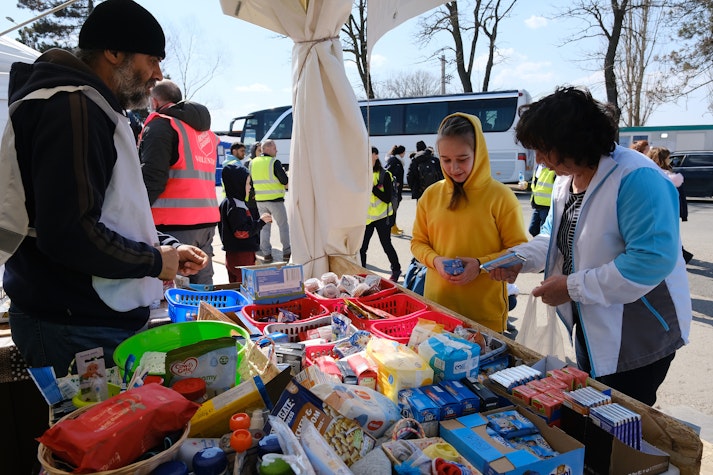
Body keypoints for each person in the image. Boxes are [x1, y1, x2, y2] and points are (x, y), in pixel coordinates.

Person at [3, 0, 208, 378]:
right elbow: (70, 232)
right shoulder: (72, 106)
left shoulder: (94, 107)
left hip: (85, 317)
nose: (157, 74)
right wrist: (154, 260)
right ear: (114, 53)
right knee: (98, 435)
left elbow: (116, 210)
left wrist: (168, 248)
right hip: (74, 322)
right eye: (152, 59)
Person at [491, 87, 691, 406]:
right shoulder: (564, 180)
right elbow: (553, 236)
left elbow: (650, 261)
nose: (539, 160)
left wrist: (570, 288)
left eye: (544, 150)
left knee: (621, 416)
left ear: (573, 142)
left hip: (639, 333)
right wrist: (519, 258)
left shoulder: (636, 178)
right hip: (592, 322)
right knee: (593, 406)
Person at [411, 114, 528, 332]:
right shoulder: (431, 195)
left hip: (484, 316)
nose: (454, 168)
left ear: (479, 153)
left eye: (462, 159)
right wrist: (435, 261)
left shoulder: (501, 196)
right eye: (445, 160)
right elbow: (417, 243)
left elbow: (518, 251)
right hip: (437, 309)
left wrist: (480, 265)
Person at [138, 79, 220, 286]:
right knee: (203, 290)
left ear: (154, 102)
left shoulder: (162, 125)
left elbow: (152, 177)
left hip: (172, 225)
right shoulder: (205, 133)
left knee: (172, 294)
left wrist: (135, 211)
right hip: (206, 221)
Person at [219, 165, 272, 283]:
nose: (250, 187)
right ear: (238, 184)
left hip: (232, 253)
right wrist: (260, 223)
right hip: (242, 254)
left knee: (235, 284)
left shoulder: (228, 202)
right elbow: (242, 232)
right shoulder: (237, 206)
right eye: (247, 184)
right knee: (245, 284)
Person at [361, 147, 402, 282]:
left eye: (370, 154)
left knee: (386, 244)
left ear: (376, 156)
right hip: (367, 219)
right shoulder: (361, 174)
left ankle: (396, 270)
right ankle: (361, 273)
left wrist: (371, 187)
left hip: (382, 218)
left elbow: (387, 197)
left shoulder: (385, 174)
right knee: (362, 248)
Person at [647, 146, 693, 263]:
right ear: (662, 159)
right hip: (668, 212)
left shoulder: (647, 172)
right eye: (668, 158)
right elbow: (679, 198)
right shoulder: (669, 176)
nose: (670, 160)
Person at [250, 139, 290, 262]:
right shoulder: (274, 162)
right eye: (274, 148)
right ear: (266, 149)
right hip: (275, 201)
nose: (276, 150)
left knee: (264, 228)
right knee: (283, 226)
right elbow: (284, 180)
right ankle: (287, 252)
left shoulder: (252, 163)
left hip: (260, 201)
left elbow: (251, 181)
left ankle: (267, 254)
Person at [528, 163, 556, 236]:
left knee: (544, 232)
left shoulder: (553, 169)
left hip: (547, 206)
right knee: (532, 229)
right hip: (537, 204)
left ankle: (541, 246)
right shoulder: (538, 167)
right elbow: (536, 184)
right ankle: (538, 244)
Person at [385, 145, 406, 235]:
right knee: (393, 208)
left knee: (395, 208)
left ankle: (394, 226)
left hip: (397, 189)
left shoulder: (397, 160)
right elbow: (388, 172)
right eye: (404, 152)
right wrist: (394, 181)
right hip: (394, 189)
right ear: (401, 152)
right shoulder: (394, 161)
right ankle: (391, 228)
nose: (404, 154)